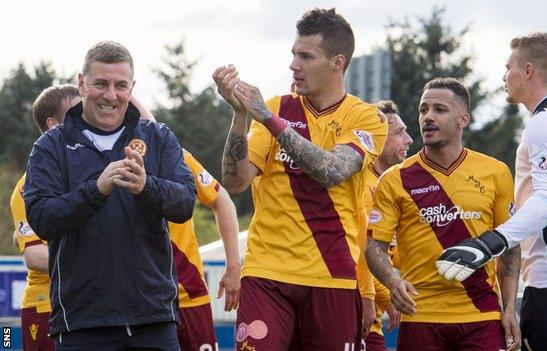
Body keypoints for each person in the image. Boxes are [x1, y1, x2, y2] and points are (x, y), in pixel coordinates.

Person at [213, 8, 388, 351]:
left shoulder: (366, 117)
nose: (294, 64)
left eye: (306, 56)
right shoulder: (278, 107)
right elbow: (235, 183)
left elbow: (333, 171)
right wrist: (239, 116)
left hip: (332, 275)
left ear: (338, 62)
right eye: (294, 54)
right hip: (267, 272)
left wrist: (268, 119)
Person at [437, 32, 547, 351]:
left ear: (527, 70)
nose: (504, 76)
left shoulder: (546, 123)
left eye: (508, 67)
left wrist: (489, 242)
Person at [24, 41, 196, 350]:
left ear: (132, 88)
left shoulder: (158, 137)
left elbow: (185, 204)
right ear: (81, 83)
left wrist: (147, 187)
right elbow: (42, 218)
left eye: (121, 85)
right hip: (81, 324)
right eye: (100, 84)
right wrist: (95, 190)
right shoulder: (51, 146)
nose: (111, 95)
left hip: (153, 321)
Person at [367, 78, 521, 351]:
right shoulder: (394, 179)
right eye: (423, 110)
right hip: (420, 316)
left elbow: (510, 248)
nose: (428, 117)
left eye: (440, 109)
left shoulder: (495, 172)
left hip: (481, 316)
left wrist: (509, 308)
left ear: (463, 119)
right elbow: (374, 246)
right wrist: (392, 281)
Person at [139, 112, 242, 351]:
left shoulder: (178, 157)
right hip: (141, 301)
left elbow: (221, 200)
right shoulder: (100, 161)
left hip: (189, 292)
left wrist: (234, 266)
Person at [10, 84, 81, 351]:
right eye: (75, 112)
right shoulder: (28, 186)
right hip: (45, 308)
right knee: (6, 340)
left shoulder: (83, 171)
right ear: (53, 125)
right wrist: (93, 257)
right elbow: (34, 256)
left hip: (88, 306)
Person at [361, 100, 411, 350]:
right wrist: (388, 295)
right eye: (399, 133)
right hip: (358, 311)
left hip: (372, 318)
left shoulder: (388, 185)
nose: (409, 139)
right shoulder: (364, 186)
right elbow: (362, 251)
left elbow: (393, 253)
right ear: (377, 137)